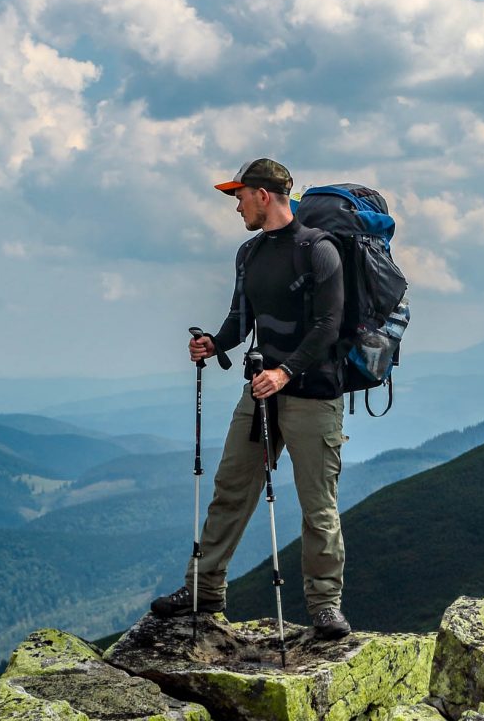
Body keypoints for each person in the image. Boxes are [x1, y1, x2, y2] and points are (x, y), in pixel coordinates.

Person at [150, 157, 352, 639]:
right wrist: (215, 344)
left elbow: (329, 326)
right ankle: (204, 590)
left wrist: (285, 373)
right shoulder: (249, 253)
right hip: (261, 393)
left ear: (264, 194)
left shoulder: (319, 250)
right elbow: (241, 318)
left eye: (239, 195)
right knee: (230, 489)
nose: (235, 205)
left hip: (312, 395)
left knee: (317, 505)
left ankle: (325, 606)